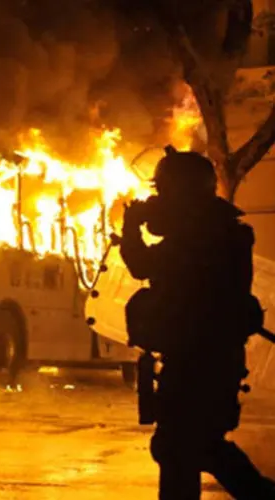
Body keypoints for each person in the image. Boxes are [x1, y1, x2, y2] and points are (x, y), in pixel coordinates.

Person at [120, 146, 275, 499]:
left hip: (198, 362)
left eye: (162, 191)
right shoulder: (217, 229)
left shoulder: (199, 237)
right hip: (208, 359)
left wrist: (131, 228)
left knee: (181, 448)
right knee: (194, 446)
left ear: (182, 192)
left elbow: (142, 265)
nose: (156, 199)